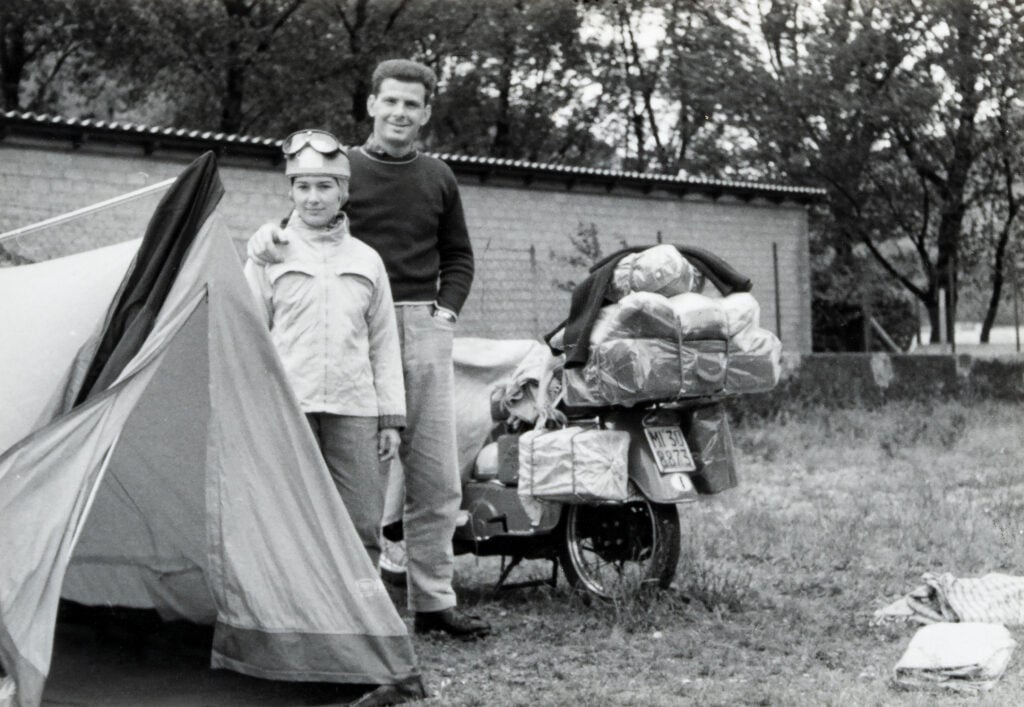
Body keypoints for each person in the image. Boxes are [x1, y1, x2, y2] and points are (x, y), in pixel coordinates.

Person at [247, 60, 489, 639]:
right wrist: (263, 239)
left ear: (426, 113)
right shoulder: (340, 166)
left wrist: (445, 311)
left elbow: (459, 255)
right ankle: (346, 600)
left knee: (433, 473)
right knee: (356, 474)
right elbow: (294, 230)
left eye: (413, 104)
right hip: (349, 328)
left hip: (421, 328)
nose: (400, 113)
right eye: (391, 102)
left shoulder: (439, 177)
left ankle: (432, 601)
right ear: (372, 105)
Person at [244, 129, 404, 569]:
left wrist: (391, 418)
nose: (313, 198)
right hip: (289, 406)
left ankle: (363, 621)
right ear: (291, 190)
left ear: (344, 192)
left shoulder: (367, 260)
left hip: (356, 408)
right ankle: (289, 619)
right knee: (287, 517)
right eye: (302, 186)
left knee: (361, 521)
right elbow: (249, 335)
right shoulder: (268, 254)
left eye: (324, 186)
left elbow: (384, 344)